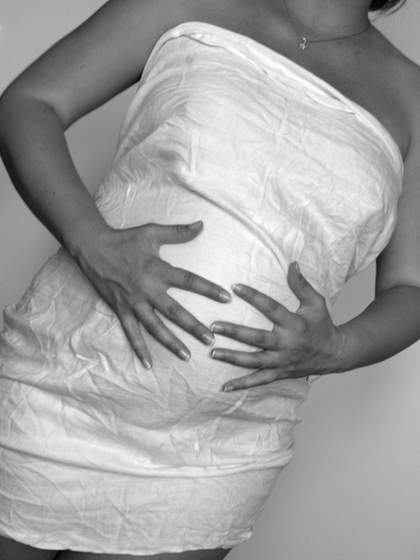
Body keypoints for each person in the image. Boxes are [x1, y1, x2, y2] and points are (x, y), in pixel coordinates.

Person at [0, 0, 418, 558]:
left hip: (218, 450)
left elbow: (411, 288)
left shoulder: (414, 98)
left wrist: (341, 347)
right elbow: (30, 104)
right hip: (59, 386)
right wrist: (91, 241)